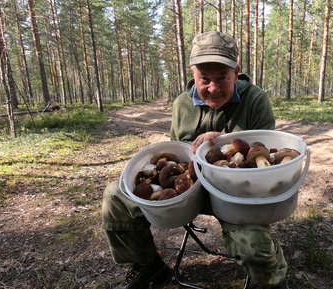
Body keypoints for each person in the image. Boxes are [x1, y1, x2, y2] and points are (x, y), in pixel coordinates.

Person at [102, 30, 289, 289]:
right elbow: (176, 155)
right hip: (188, 192)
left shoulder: (255, 100)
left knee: (254, 246)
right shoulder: (182, 105)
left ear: (236, 72)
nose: (213, 88)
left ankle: (272, 281)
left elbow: (266, 152)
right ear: (193, 74)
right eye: (204, 79)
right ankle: (148, 265)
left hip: (236, 194)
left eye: (222, 78)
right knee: (115, 195)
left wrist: (223, 139)